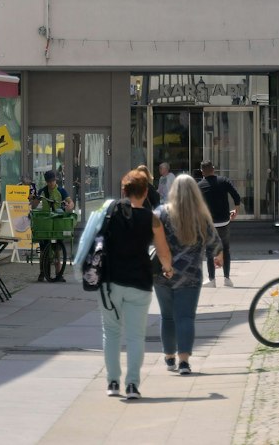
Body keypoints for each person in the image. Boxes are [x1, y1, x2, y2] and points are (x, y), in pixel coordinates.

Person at [81, 167, 169, 401]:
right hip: (139, 282)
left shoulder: (109, 212)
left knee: (110, 332)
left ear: (124, 190)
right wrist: (168, 269)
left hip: (110, 282)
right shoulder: (152, 219)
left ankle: (112, 382)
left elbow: (92, 239)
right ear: (145, 192)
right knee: (135, 336)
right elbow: (163, 252)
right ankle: (132, 385)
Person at [155, 174, 224, 375]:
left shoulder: (161, 213)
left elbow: (151, 239)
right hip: (190, 275)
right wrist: (218, 257)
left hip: (163, 273)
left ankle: (169, 357)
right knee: (185, 318)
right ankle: (184, 361)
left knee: (167, 317)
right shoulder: (201, 216)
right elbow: (215, 243)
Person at [196, 160, 243, 286]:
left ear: (202, 172)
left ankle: (212, 279)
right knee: (226, 249)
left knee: (210, 250)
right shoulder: (224, 181)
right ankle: (227, 279)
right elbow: (236, 196)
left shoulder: (199, 186)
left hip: (209, 224)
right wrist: (236, 209)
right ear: (214, 169)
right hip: (224, 222)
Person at [33, 169, 73, 283]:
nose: (51, 183)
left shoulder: (61, 190)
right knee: (43, 249)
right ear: (46, 181)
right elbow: (34, 206)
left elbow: (70, 202)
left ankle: (59, 274)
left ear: (56, 180)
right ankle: (42, 273)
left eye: (53, 181)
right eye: (49, 181)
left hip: (57, 223)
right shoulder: (42, 191)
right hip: (46, 223)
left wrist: (69, 206)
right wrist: (36, 200)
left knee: (57, 250)